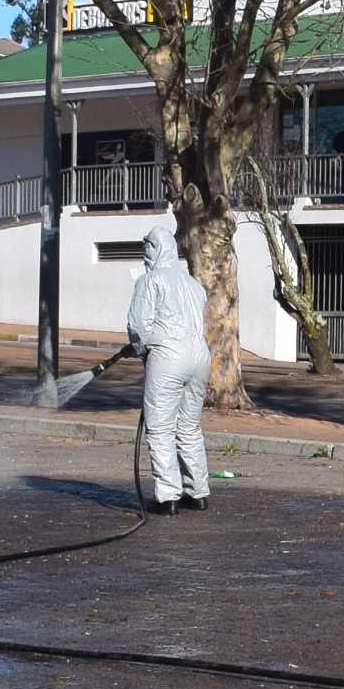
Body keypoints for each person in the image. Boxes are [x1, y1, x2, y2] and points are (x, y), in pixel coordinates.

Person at [121, 219, 212, 513]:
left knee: (160, 428)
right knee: (188, 428)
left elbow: (138, 326)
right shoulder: (194, 285)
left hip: (168, 357)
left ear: (154, 249)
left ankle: (168, 496)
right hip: (199, 358)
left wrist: (140, 351)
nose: (144, 252)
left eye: (146, 246)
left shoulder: (150, 281)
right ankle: (197, 493)